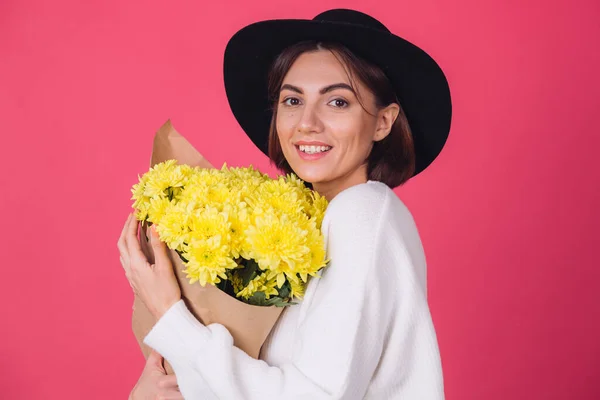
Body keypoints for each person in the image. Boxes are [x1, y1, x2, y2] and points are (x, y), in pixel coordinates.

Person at [117, 8, 452, 399]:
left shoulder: (363, 211)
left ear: (383, 122)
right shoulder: (305, 234)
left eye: (338, 102)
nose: (307, 122)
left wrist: (170, 314)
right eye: (292, 100)